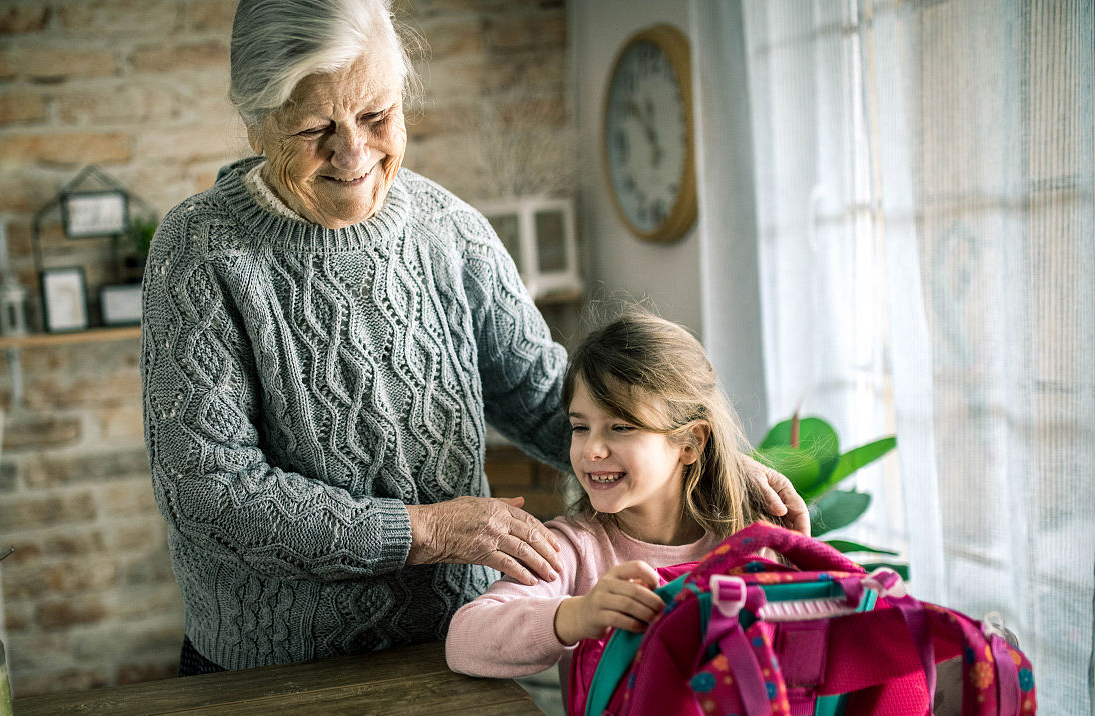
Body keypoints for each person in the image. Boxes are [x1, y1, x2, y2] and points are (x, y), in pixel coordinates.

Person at [140, 0, 806, 674]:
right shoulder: (198, 252)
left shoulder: (446, 229)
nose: (353, 153)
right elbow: (211, 491)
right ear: (256, 123)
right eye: (316, 128)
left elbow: (544, 394)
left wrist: (702, 459)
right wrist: (423, 530)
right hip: (270, 671)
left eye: (377, 117)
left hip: (453, 648)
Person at [445, 311, 774, 683]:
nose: (592, 450)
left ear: (691, 443)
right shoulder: (571, 550)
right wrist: (579, 616)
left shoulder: (747, 543)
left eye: (620, 427)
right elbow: (463, 640)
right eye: (580, 427)